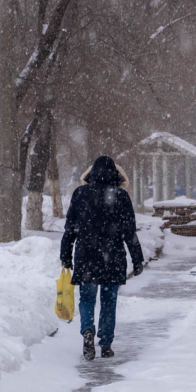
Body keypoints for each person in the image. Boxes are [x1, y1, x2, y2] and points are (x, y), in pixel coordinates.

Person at [60, 155, 144, 361]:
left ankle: (87, 330)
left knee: (87, 299)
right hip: (112, 257)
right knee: (108, 301)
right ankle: (105, 344)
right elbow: (129, 231)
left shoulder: (80, 194)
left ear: (91, 174)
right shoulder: (121, 196)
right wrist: (137, 259)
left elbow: (70, 228)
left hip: (86, 256)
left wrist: (66, 254)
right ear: (115, 174)